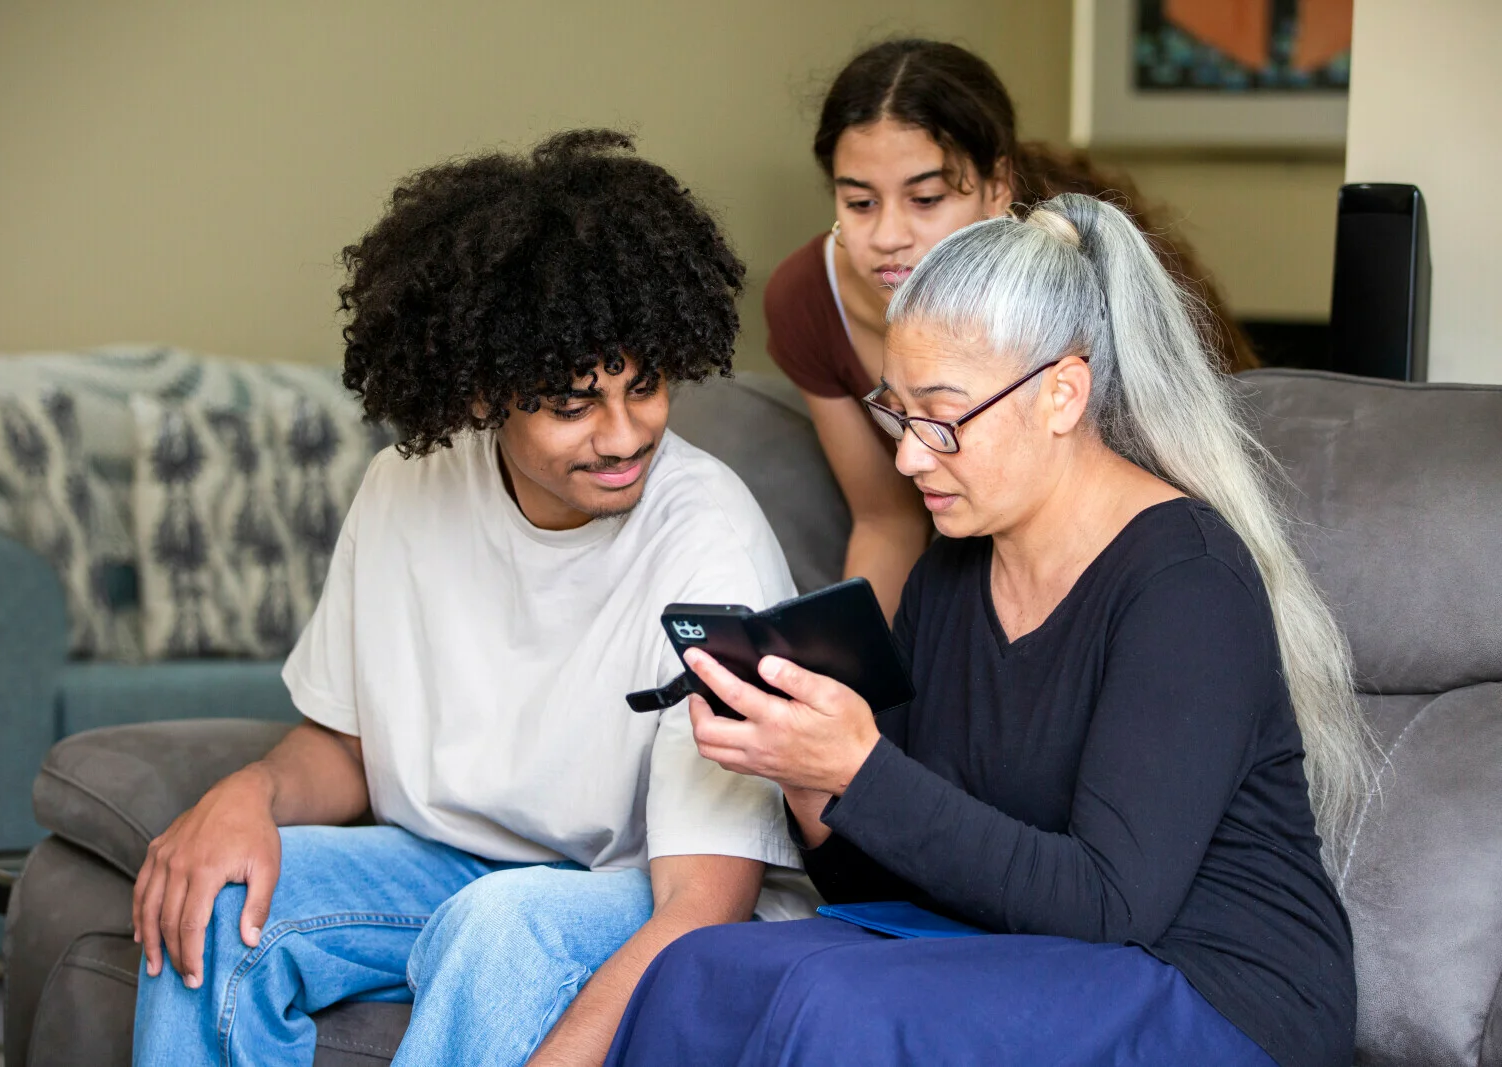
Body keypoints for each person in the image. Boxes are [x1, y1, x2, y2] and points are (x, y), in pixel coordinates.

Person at [605, 194, 1374, 1067]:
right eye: (897, 413)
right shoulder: (952, 569)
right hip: (1011, 945)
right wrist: (809, 779)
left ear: (1061, 393)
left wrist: (861, 768)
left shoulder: (1186, 578)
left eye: (941, 417)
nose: (908, 457)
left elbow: (1110, 903)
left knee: (843, 1004)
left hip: (1212, 987)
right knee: (698, 972)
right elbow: (886, 876)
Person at [129, 130, 814, 1067]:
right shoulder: (402, 493)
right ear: (488, 392)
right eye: (574, 403)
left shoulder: (712, 540)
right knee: (212, 898)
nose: (624, 435)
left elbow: (709, 898)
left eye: (645, 385)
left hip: (645, 886)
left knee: (504, 922)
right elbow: (346, 744)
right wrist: (245, 793)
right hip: (447, 868)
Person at [767, 39, 1258, 621]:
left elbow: (1174, 487)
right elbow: (886, 517)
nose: (888, 236)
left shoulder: (1082, 273)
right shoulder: (807, 298)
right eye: (860, 202)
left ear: (998, 188)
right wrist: (840, 676)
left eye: (925, 198)